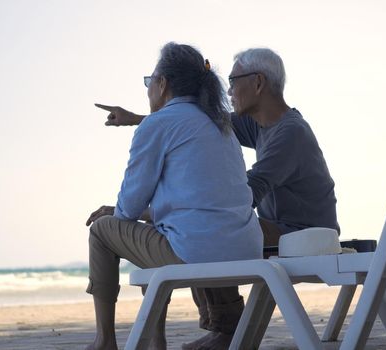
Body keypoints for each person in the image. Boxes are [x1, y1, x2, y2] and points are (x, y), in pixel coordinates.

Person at [96, 47, 339, 350]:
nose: (228, 90)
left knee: (210, 226)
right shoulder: (259, 123)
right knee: (212, 226)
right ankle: (225, 327)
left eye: (234, 81)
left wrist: (152, 213)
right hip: (276, 225)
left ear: (258, 83)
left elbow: (240, 195)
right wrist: (137, 119)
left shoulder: (290, 133)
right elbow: (192, 124)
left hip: (304, 233)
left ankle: (225, 328)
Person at [84, 42, 263, 350]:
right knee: (162, 232)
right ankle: (156, 342)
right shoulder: (221, 124)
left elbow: (127, 210)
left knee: (102, 230)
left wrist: (119, 212)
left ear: (163, 84)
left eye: (149, 81)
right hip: (247, 248)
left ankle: (105, 342)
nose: (148, 89)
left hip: (197, 253)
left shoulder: (157, 124)